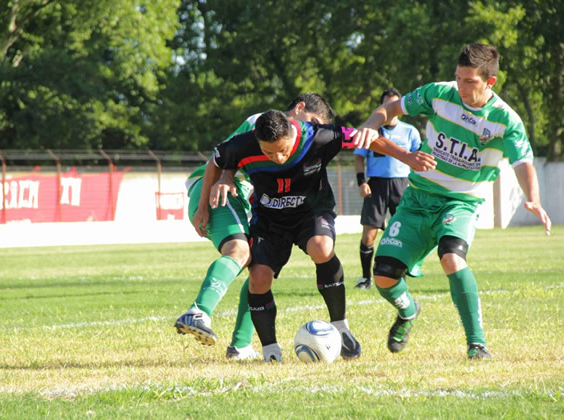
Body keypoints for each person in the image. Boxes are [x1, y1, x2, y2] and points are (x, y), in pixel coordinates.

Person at [356, 43, 552, 360]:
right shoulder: (438, 93)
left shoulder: (505, 120)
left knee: (452, 258)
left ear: (490, 82)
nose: (461, 87)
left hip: (460, 203)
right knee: (384, 275)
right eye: (458, 78)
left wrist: (534, 200)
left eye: (469, 81)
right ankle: (408, 311)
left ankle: (477, 345)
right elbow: (392, 109)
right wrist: (369, 124)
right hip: (417, 199)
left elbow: (523, 163)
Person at [209, 109, 436, 362]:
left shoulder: (319, 137)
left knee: (322, 247)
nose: (278, 158)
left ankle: (340, 325)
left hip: (312, 212)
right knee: (259, 277)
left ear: (292, 134)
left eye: (283, 150)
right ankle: (270, 351)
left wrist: (407, 156)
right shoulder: (244, 143)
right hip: (270, 220)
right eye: (268, 152)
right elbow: (220, 159)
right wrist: (222, 182)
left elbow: (366, 139)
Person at [175, 93, 337, 360]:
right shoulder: (265, 123)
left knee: (260, 268)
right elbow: (223, 159)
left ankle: (240, 346)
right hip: (218, 189)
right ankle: (198, 312)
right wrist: (204, 203)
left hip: (241, 194)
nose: (315, 130)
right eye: (313, 121)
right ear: (299, 109)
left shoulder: (294, 147)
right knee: (239, 250)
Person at [354, 88, 422, 289]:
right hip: (376, 185)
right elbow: (359, 157)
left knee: (403, 234)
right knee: (369, 235)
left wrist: (419, 183)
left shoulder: (410, 131)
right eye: (386, 105)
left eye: (394, 104)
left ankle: (401, 276)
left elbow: (419, 156)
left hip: (402, 184)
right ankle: (366, 278)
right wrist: (361, 181)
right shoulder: (371, 131)